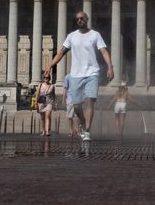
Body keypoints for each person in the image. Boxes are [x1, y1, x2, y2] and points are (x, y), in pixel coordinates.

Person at [45, 11, 114, 141]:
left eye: (82, 18)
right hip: (76, 75)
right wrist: (50, 65)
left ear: (87, 19)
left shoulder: (95, 35)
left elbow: (103, 51)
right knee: (76, 105)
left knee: (89, 100)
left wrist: (110, 66)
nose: (80, 20)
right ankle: (83, 122)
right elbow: (61, 52)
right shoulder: (72, 36)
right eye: (77, 19)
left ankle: (87, 131)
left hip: (92, 73)